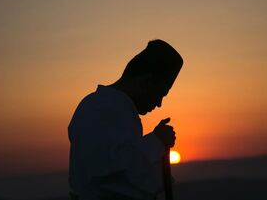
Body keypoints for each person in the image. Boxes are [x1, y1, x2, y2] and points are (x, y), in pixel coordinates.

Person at [68, 39, 183, 200]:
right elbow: (110, 172)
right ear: (146, 81)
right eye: (160, 93)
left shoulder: (104, 105)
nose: (159, 103)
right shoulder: (106, 107)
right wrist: (157, 141)